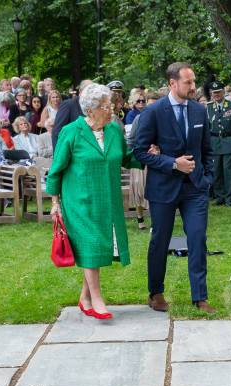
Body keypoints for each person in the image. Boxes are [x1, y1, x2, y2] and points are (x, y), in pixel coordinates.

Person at [46, 83, 145, 320]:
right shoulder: (71, 132)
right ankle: (98, 298)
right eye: (105, 105)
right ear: (90, 110)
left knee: (97, 246)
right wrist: (55, 202)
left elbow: (125, 157)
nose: (111, 109)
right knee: (91, 245)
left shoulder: (113, 131)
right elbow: (56, 170)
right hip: (79, 202)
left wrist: (148, 157)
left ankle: (85, 298)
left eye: (111, 104)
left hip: (107, 200)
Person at [134, 62, 216, 314]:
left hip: (195, 188)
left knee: (197, 237)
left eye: (193, 82)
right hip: (163, 188)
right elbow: (139, 151)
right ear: (173, 83)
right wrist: (172, 163)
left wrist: (207, 178)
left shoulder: (199, 111)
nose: (193, 87)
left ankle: (200, 297)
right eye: (188, 82)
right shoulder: (154, 111)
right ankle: (155, 293)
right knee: (160, 240)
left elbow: (206, 149)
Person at [206, 80, 231, 206]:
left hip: (229, 141)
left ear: (223, 92)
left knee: (227, 171)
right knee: (216, 171)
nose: (216, 95)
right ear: (211, 94)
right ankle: (219, 197)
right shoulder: (208, 108)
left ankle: (228, 198)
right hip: (214, 143)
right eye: (214, 93)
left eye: (218, 92)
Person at [126, 91, 160, 229]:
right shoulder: (138, 119)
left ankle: (155, 221)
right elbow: (131, 140)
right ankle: (140, 220)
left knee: (154, 191)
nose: (143, 104)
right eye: (147, 103)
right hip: (140, 159)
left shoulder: (162, 118)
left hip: (156, 160)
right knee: (139, 190)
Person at [52, 79, 93, 148]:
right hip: (73, 151)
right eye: (88, 90)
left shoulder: (94, 106)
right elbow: (57, 132)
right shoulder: (68, 105)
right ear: (80, 91)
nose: (91, 93)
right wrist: (59, 156)